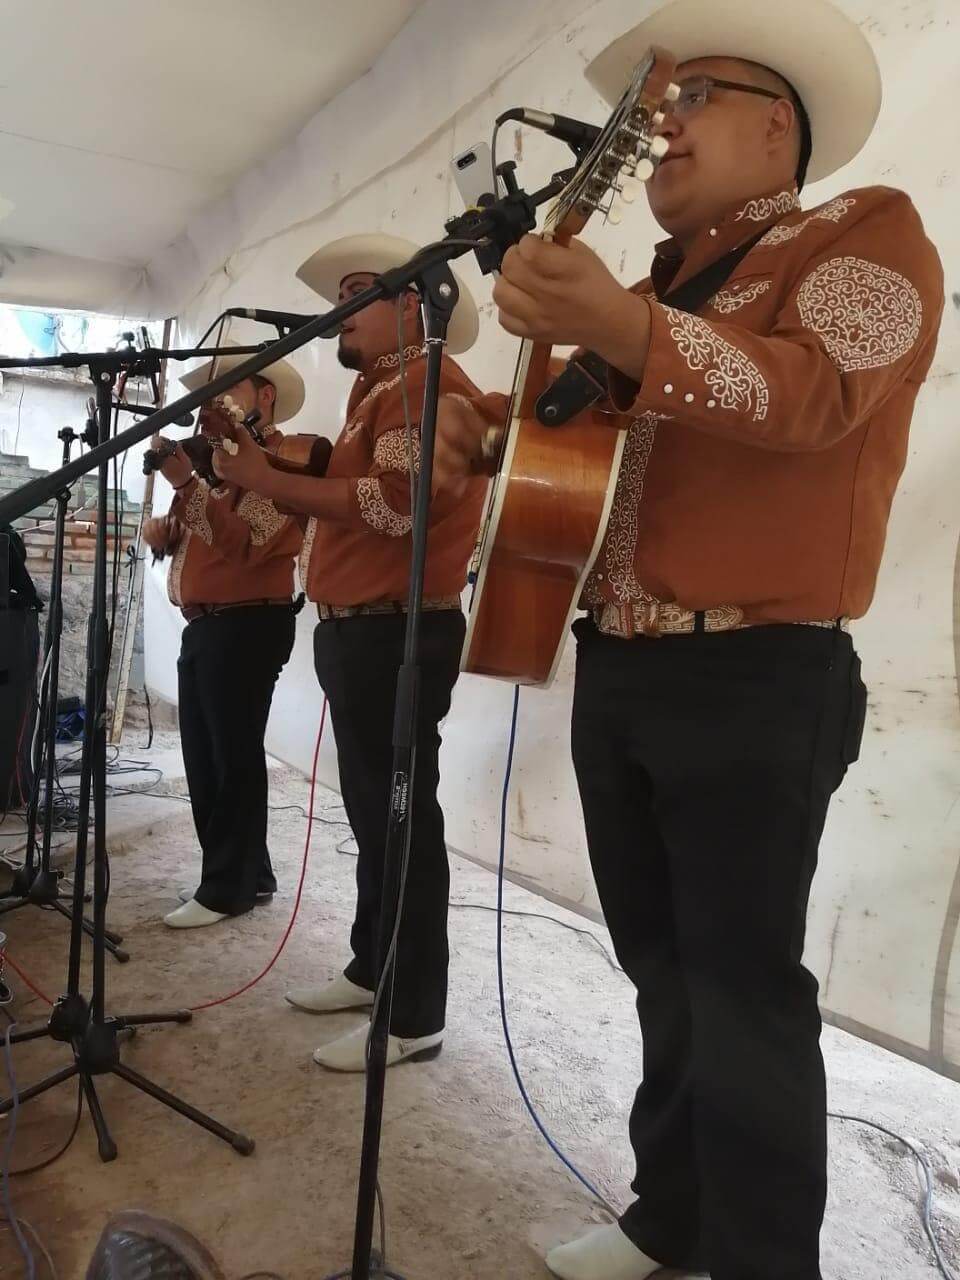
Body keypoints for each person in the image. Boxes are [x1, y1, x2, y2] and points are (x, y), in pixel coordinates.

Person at [431, 1, 944, 1276]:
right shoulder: (653, 288)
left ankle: (764, 1256)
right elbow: (566, 446)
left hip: (755, 674)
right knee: (661, 969)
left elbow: (818, 391)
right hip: (620, 663)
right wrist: (483, 439)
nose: (659, 125)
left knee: (743, 989)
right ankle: (671, 1216)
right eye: (655, 108)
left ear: (779, 128)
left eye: (693, 96)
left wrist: (624, 329)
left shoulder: (861, 229)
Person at [212, 235, 488, 1071]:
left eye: (362, 291)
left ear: (413, 305)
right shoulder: (380, 394)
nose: (343, 309)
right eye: (341, 295)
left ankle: (414, 1015)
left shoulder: (426, 385)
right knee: (376, 816)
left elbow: (395, 505)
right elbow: (359, 488)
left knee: (401, 822)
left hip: (393, 631)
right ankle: (374, 969)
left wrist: (266, 480)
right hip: (362, 632)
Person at [142, 343, 306, 930]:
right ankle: (249, 874)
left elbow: (246, 544)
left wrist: (186, 486)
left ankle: (226, 888)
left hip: (248, 623)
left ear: (266, 396)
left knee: (228, 757)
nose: (212, 405)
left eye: (228, 388)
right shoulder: (215, 465)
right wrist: (168, 534)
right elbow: (206, 537)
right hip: (210, 625)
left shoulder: (282, 463)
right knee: (210, 755)